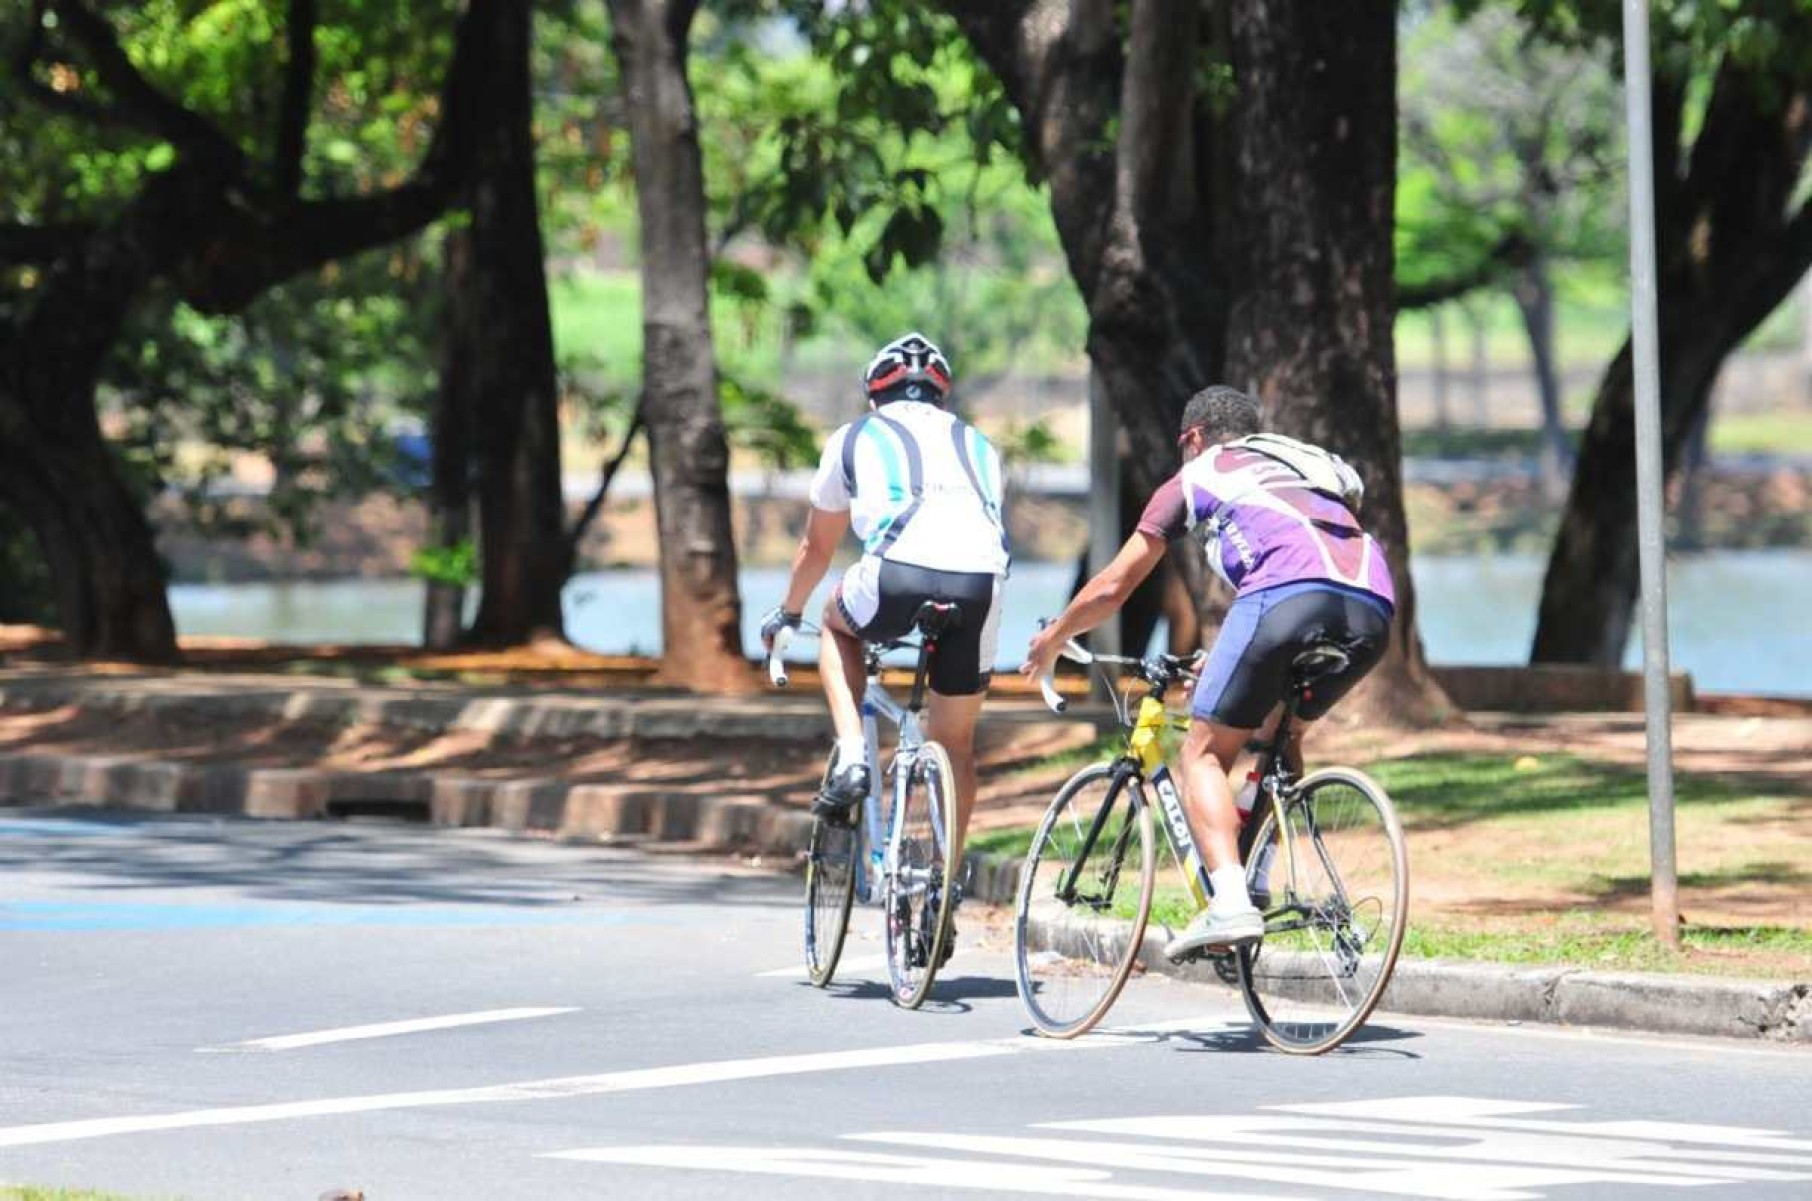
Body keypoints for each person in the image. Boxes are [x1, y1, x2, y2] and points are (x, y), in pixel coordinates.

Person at [1022, 385, 1394, 959]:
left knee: (1202, 752)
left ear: (1192, 438)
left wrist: (1055, 637)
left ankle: (1229, 902)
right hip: (1372, 606)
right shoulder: (1304, 464)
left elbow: (1116, 586)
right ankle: (1258, 872)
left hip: (1286, 596)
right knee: (1280, 736)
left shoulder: (1198, 475)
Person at [760, 332, 1010, 876]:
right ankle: (946, 882)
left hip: (897, 573)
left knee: (836, 624)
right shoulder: (981, 446)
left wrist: (788, 611)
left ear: (874, 396)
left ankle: (852, 754)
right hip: (982, 582)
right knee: (956, 744)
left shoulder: (854, 437)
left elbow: (816, 547)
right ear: (942, 397)